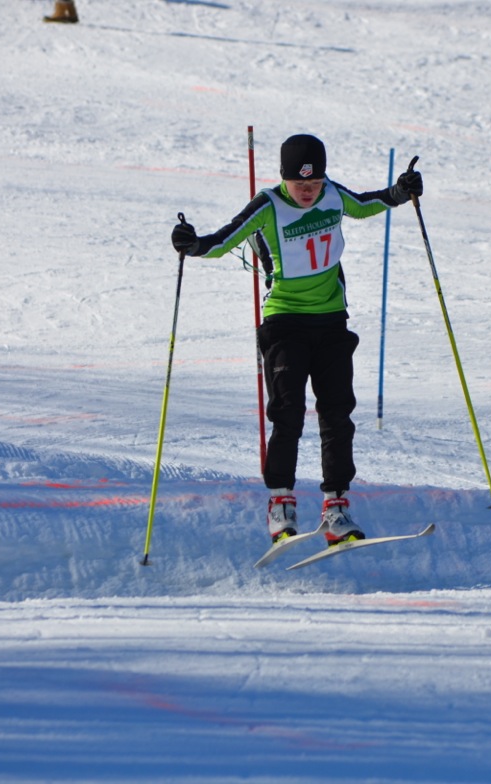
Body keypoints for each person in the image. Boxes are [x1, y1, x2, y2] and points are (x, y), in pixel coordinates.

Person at [171, 134, 423, 546]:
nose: (308, 191)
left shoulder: (332, 195)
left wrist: (398, 193)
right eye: (300, 184)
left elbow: (364, 204)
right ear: (285, 179)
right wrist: (193, 245)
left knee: (338, 414)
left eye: (315, 183)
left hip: (331, 319)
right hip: (284, 321)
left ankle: (336, 507)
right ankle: (280, 503)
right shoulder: (268, 205)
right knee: (288, 412)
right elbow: (225, 240)